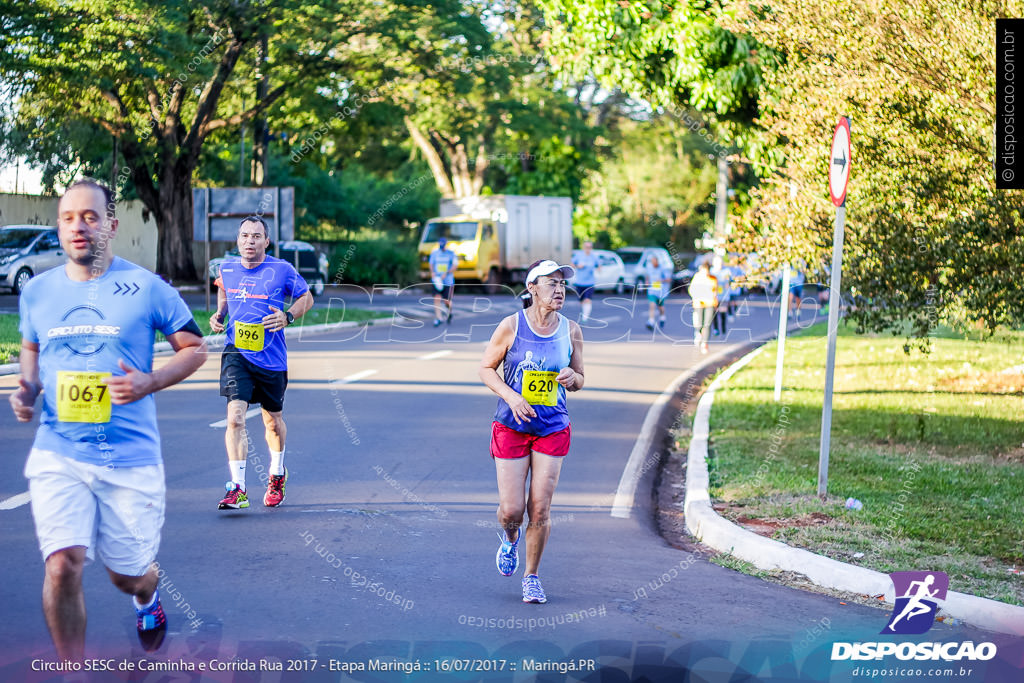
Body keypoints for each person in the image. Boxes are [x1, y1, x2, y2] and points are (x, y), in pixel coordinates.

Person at [9, 179, 207, 659]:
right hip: (60, 451)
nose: (79, 226)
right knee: (62, 564)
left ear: (111, 225)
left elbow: (196, 348)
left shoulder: (146, 287)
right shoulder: (36, 291)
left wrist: (149, 382)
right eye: (69, 217)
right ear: (58, 226)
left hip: (129, 459)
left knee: (126, 575)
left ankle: (148, 593)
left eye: (91, 216)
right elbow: (31, 348)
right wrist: (28, 386)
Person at [479, 259, 585, 604]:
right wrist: (511, 396)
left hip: (552, 426)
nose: (559, 290)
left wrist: (573, 378)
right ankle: (510, 539)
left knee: (539, 508)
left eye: (563, 284)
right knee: (512, 511)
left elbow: (581, 378)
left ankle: (532, 576)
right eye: (551, 283)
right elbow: (486, 368)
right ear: (531, 289)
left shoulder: (571, 330)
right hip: (512, 425)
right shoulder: (511, 326)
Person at [210, 216, 313, 509]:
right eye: (244, 236)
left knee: (272, 422)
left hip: (271, 359)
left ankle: (277, 473)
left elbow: (307, 297)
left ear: (266, 241)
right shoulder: (227, 268)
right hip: (237, 353)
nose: (249, 241)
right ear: (238, 240)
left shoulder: (281, 270)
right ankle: (238, 488)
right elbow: (223, 288)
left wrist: (288, 316)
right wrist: (220, 313)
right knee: (235, 417)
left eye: (256, 236)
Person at [688, 260, 718, 354]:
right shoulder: (697, 277)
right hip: (699, 303)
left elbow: (715, 291)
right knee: (699, 323)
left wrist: (715, 301)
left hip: (709, 303)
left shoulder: (713, 278)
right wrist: (696, 297)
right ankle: (698, 333)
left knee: (707, 324)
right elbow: (691, 289)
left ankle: (705, 343)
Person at [429, 237, 457, 327]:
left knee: (447, 301)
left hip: (448, 281)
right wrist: (432, 272)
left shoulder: (451, 254)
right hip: (437, 281)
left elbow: (455, 265)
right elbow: (431, 264)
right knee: (436, 298)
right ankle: (438, 318)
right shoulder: (435, 253)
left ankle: (450, 311)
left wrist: (447, 272)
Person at [571, 241, 599, 323]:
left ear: (591, 248)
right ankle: (584, 312)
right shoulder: (578, 255)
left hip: (590, 283)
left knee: (587, 299)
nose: (588, 249)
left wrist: (598, 270)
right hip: (579, 282)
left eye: (590, 247)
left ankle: (585, 317)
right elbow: (572, 264)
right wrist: (577, 266)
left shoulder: (594, 257)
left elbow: (599, 266)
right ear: (583, 248)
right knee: (581, 301)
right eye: (586, 247)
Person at [644, 254, 673, 329]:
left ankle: (662, 317)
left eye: (654, 261)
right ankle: (651, 321)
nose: (653, 263)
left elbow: (669, 279)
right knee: (652, 305)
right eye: (651, 262)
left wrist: (661, 280)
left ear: (657, 261)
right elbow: (647, 275)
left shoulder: (663, 269)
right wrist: (647, 281)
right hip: (652, 290)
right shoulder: (649, 268)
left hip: (661, 291)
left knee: (660, 307)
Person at [711, 255, 733, 337]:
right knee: (714, 313)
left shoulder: (726, 271)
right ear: (714, 263)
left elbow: (730, 281)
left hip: (724, 296)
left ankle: (723, 327)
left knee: (723, 312)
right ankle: (716, 329)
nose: (719, 264)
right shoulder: (711, 271)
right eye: (717, 263)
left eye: (720, 262)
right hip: (714, 295)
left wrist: (728, 283)